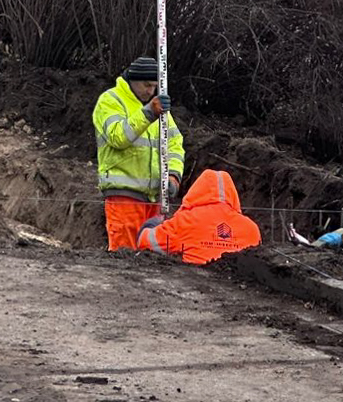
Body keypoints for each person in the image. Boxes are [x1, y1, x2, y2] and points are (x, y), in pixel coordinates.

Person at [93, 55, 184, 251]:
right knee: (124, 255)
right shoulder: (111, 101)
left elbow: (175, 144)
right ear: (132, 81)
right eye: (146, 85)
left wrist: (174, 175)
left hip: (154, 199)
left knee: (151, 260)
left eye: (154, 86)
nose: (150, 91)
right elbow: (118, 137)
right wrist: (148, 113)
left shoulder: (158, 108)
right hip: (124, 196)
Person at [136, 169, 261, 265]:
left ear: (196, 191)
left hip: (194, 286)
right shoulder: (252, 229)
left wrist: (154, 223)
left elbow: (145, 241)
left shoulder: (185, 221)